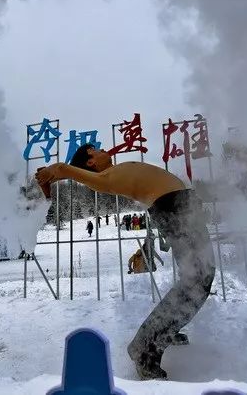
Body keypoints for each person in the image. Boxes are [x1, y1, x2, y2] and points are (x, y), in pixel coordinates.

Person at [36, 144, 215, 380]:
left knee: (198, 276)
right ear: (90, 161)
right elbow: (63, 169)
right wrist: (52, 172)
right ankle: (145, 348)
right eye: (95, 150)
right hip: (173, 207)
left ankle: (164, 330)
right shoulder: (103, 178)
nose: (102, 150)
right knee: (198, 278)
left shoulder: (111, 171)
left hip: (180, 205)